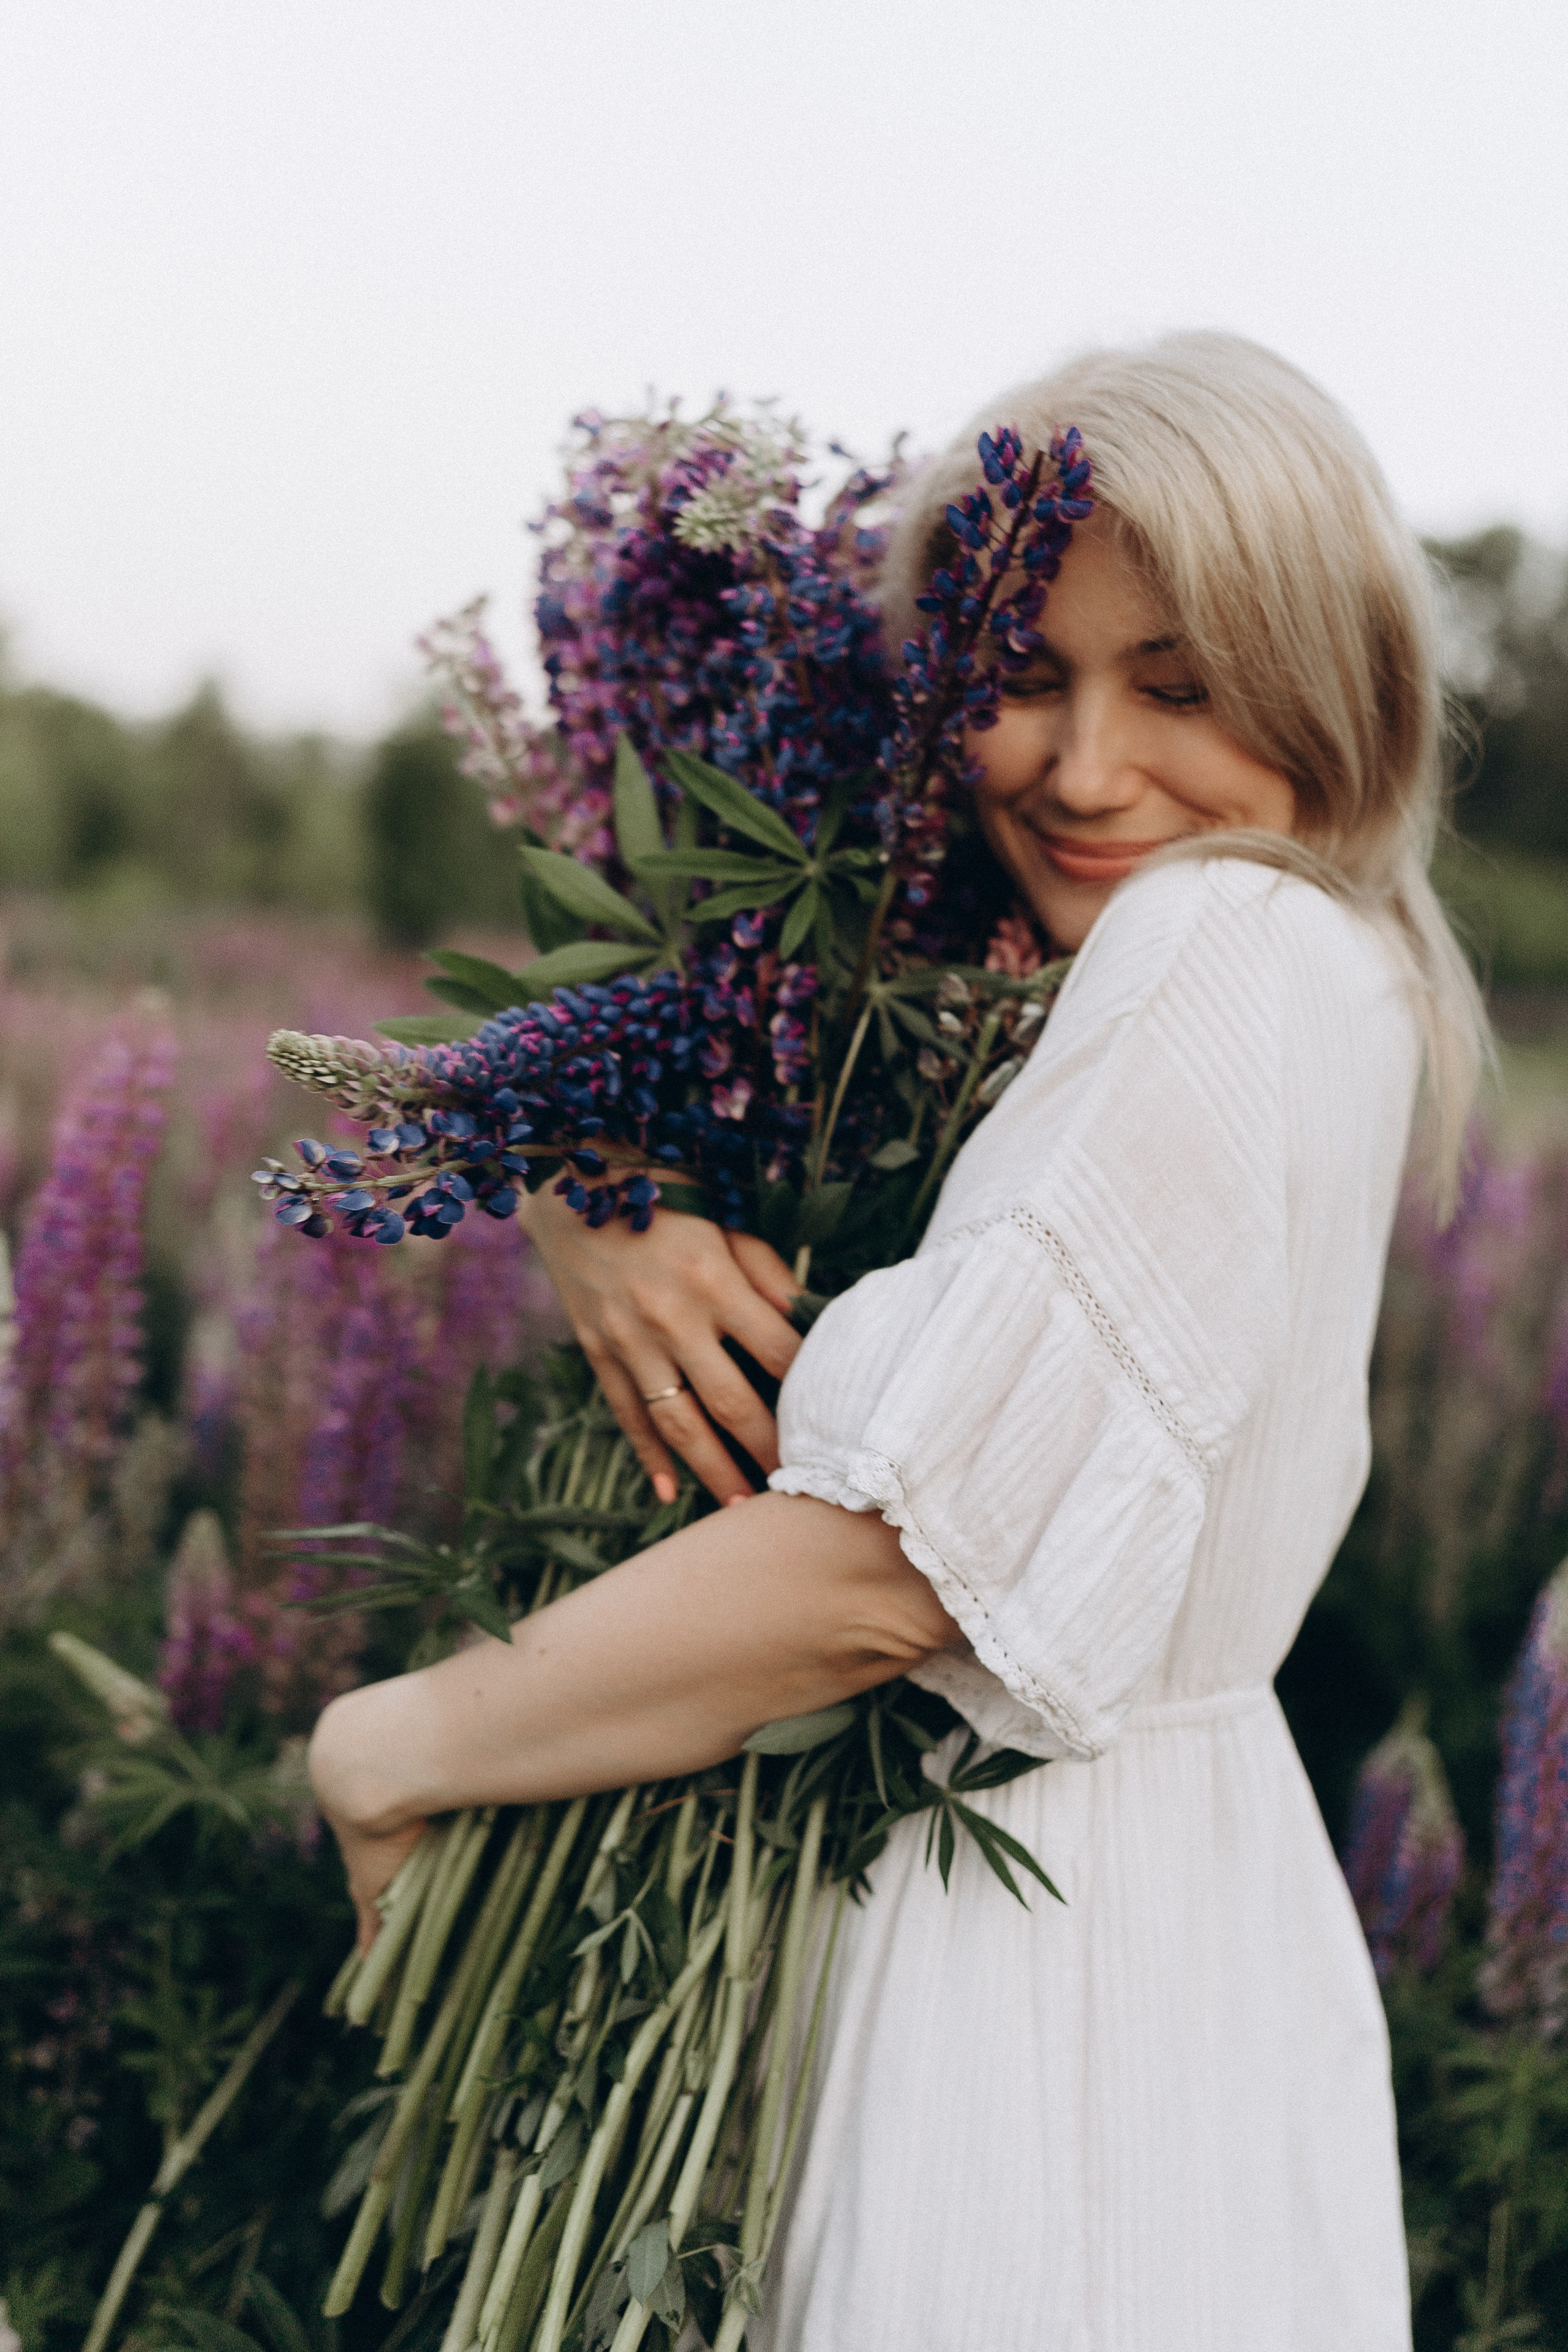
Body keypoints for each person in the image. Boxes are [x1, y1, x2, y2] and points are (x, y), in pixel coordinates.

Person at [309, 332, 1488, 2350]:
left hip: (1028, 1963)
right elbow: (777, 1125)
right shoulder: (1269, 965)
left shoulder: (1215, 947)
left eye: (1183, 687)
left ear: (1333, 683)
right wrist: (606, 1197)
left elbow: (893, 1569)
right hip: (1180, 1931)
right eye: (1023, 679)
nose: (1086, 768)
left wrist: (396, 1743)